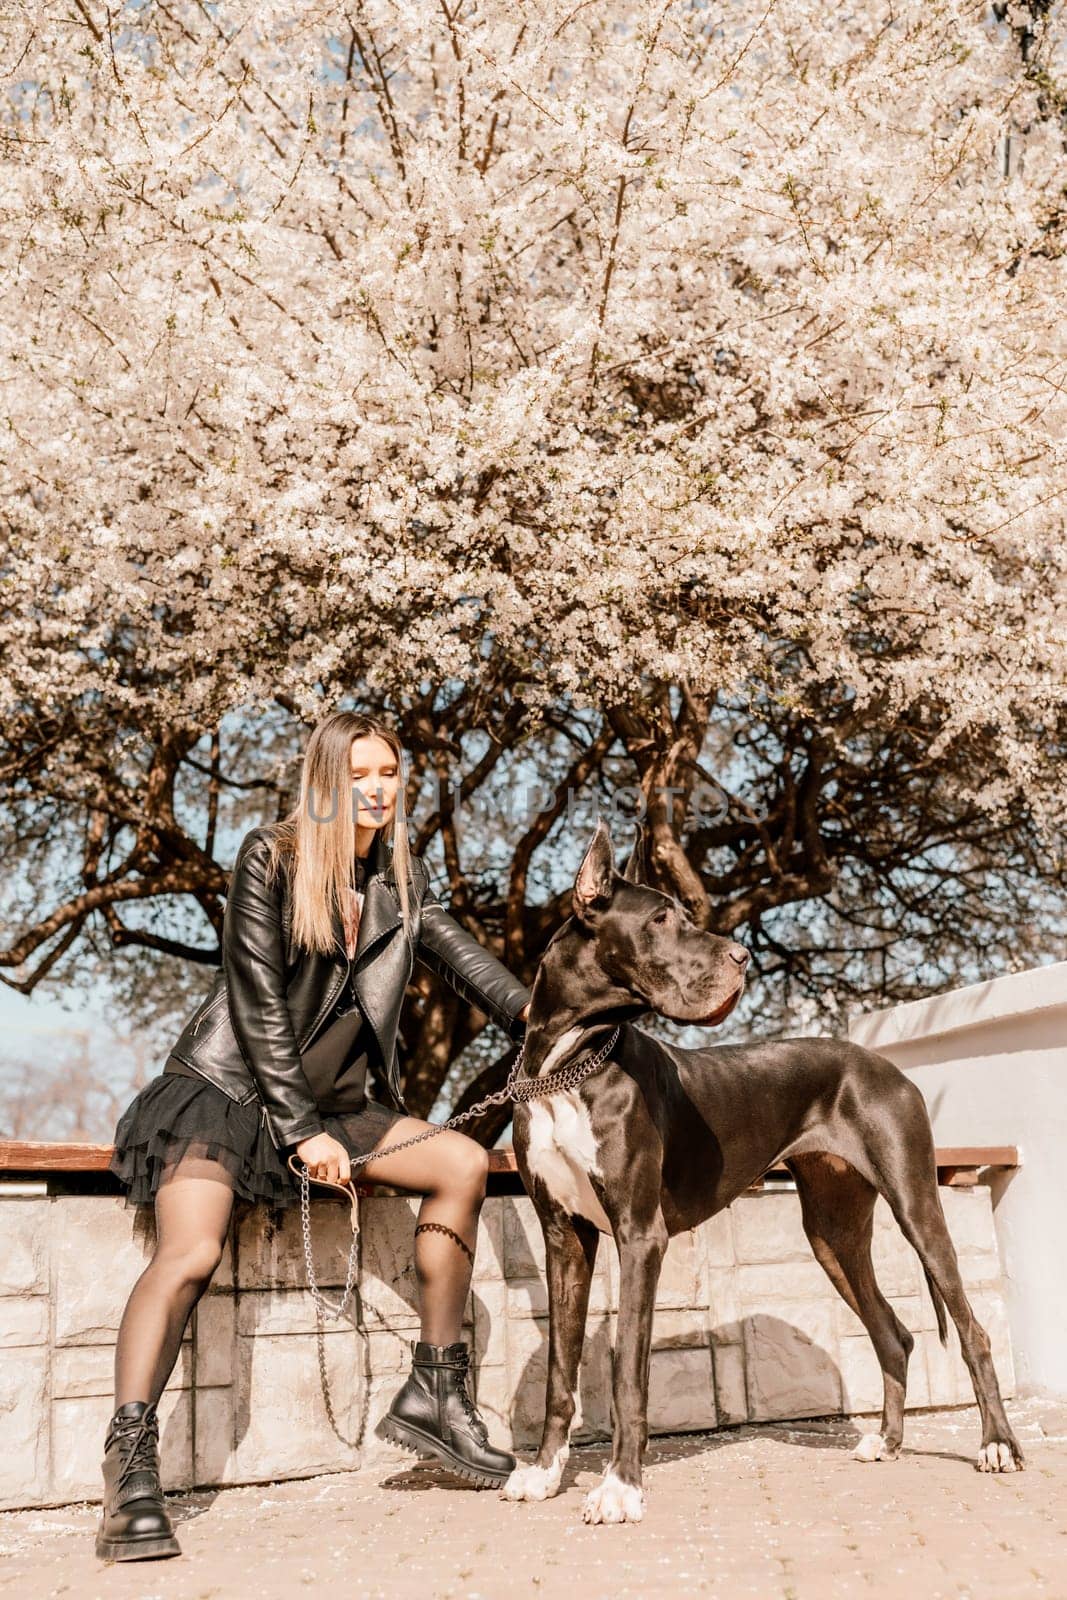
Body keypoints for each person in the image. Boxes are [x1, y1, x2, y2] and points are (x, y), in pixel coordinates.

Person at [97, 710, 531, 1562]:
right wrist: (299, 1133)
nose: (376, 789)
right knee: (188, 1255)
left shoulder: (397, 893)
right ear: (326, 779)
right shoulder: (270, 855)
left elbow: (483, 977)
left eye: (390, 774)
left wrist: (564, 1017)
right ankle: (130, 1467)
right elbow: (257, 1001)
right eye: (359, 773)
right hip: (228, 1091)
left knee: (462, 1162)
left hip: (339, 1109)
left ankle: (436, 1395)